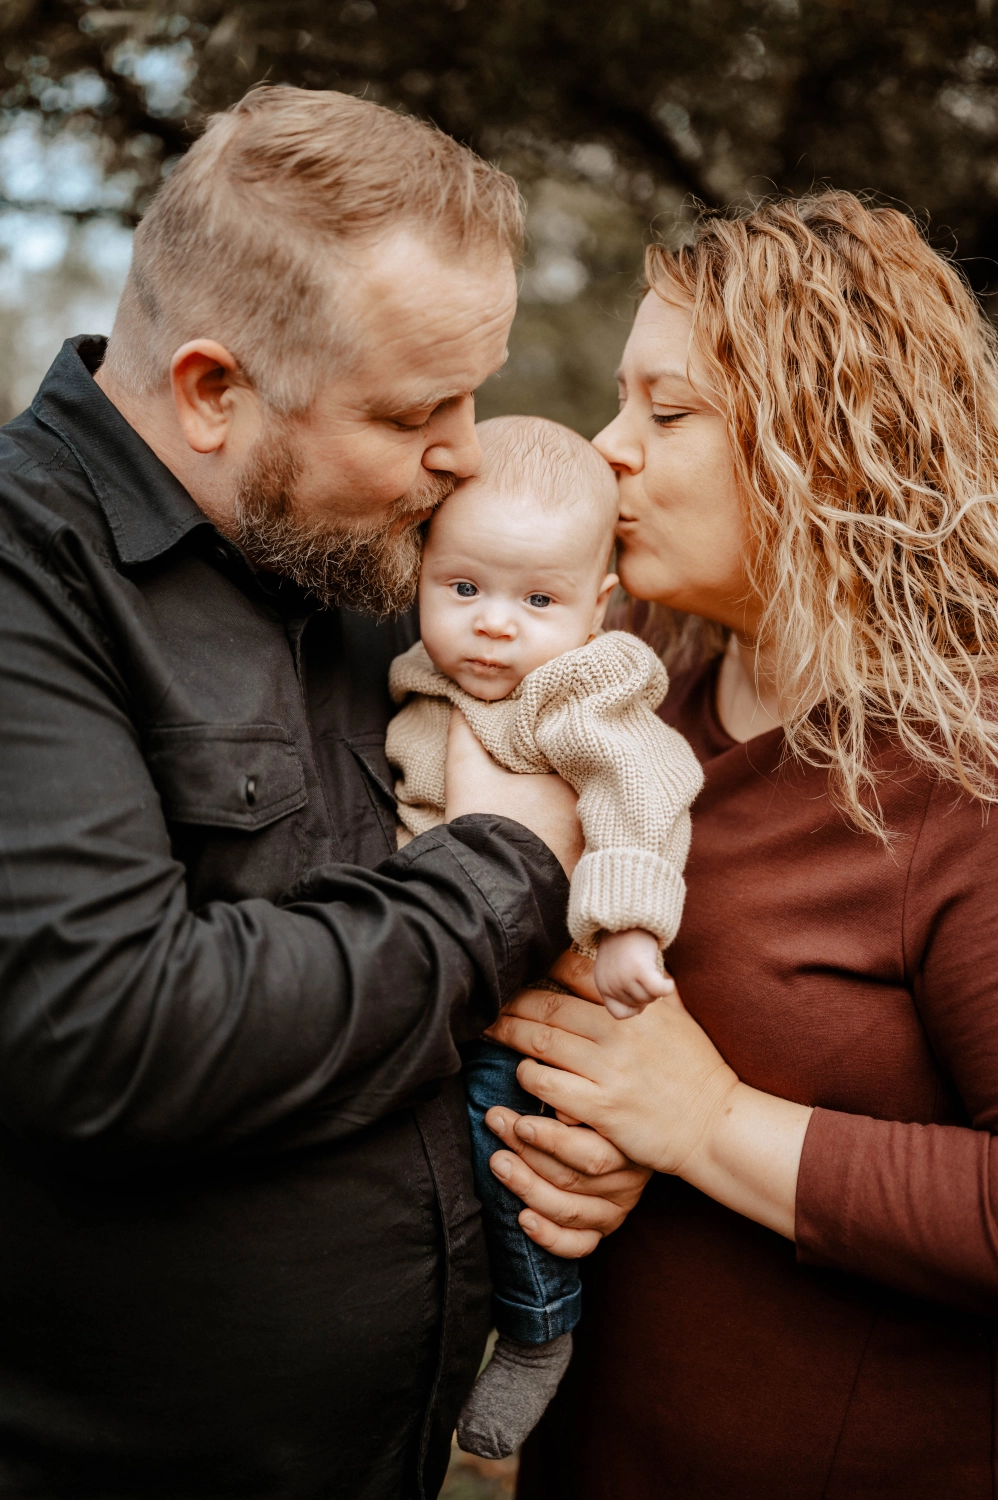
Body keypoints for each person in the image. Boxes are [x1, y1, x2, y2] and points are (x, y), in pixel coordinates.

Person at [0, 85, 648, 1500]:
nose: (466, 453)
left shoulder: (360, 551)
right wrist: (508, 860)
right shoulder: (26, 579)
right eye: (418, 409)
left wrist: (578, 1143)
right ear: (215, 390)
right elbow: (112, 1026)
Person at [452, 190, 998, 1499]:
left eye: (666, 409)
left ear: (828, 434)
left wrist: (707, 1124)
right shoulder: (643, 715)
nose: (605, 448)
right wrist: (583, 1156)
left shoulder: (963, 773)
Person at [383, 415, 703, 1459]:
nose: (493, 628)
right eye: (465, 589)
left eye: (537, 601)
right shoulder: (413, 677)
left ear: (597, 608)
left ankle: (535, 1330)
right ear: (421, 566)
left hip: (532, 1007)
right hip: (427, 978)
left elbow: (641, 792)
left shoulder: (576, 692)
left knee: (507, 1147)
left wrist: (623, 924)